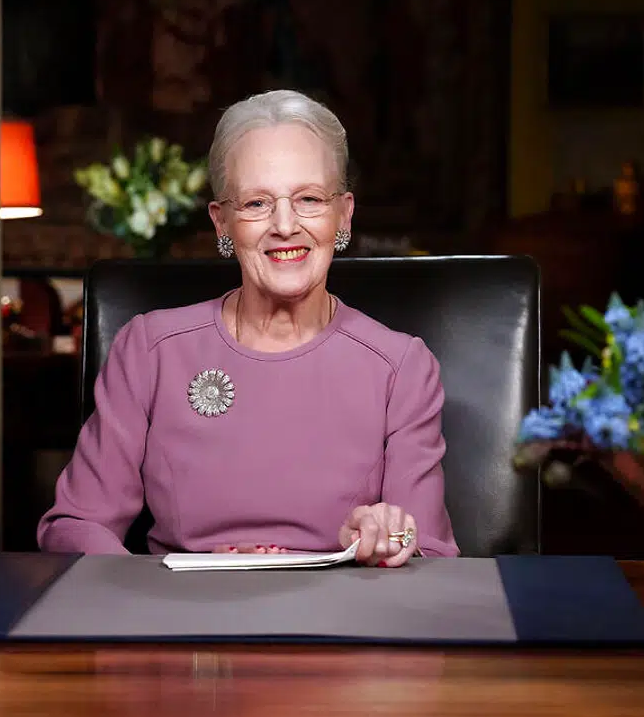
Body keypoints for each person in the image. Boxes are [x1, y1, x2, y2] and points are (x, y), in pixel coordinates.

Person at [37, 90, 459, 566]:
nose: (285, 225)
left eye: (309, 199)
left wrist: (388, 541)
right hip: (183, 608)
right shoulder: (150, 350)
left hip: (339, 608)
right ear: (222, 222)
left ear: (343, 214)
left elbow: (430, 556)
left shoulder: (401, 367)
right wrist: (146, 597)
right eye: (257, 203)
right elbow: (76, 525)